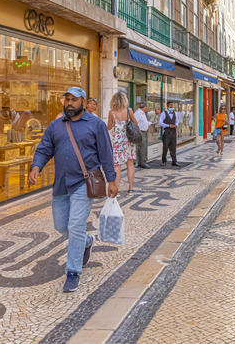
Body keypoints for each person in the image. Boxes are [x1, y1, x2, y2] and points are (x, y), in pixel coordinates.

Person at [29, 86, 117, 292]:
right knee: (62, 226)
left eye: (74, 100)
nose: (70, 103)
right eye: (67, 99)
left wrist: (112, 180)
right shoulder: (55, 126)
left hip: (83, 183)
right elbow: (44, 149)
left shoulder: (96, 125)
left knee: (76, 225)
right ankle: (86, 241)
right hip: (61, 182)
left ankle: (73, 272)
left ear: (84, 103)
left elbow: (106, 153)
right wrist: (36, 166)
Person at [108, 92, 137, 192]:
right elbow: (136, 124)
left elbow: (109, 127)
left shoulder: (111, 112)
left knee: (117, 165)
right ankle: (131, 188)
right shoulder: (129, 111)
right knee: (130, 164)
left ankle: (117, 189)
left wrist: (114, 122)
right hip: (129, 140)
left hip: (117, 141)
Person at [159, 101, 180, 167]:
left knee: (173, 147)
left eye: (172, 105)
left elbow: (177, 122)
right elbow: (160, 122)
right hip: (167, 132)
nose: (171, 106)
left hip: (173, 132)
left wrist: (176, 125)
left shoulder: (175, 113)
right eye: (170, 105)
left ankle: (174, 161)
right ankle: (163, 161)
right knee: (165, 147)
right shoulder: (163, 113)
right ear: (167, 105)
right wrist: (168, 125)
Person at [133, 102, 151, 169]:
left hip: (143, 131)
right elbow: (135, 123)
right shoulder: (138, 113)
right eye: (147, 106)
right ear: (145, 107)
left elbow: (143, 122)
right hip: (140, 132)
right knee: (143, 147)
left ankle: (140, 162)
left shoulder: (142, 113)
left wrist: (150, 123)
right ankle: (143, 163)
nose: (147, 108)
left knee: (142, 147)